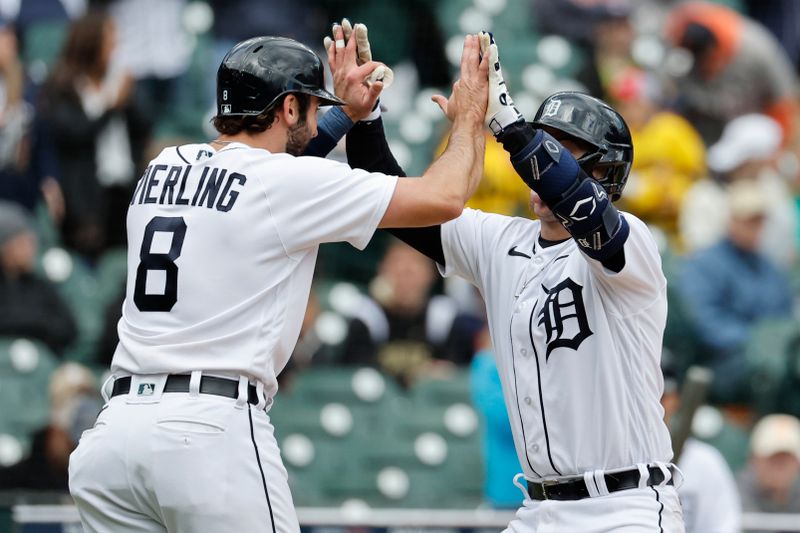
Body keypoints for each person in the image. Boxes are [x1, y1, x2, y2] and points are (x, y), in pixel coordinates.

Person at [67, 26, 489, 532]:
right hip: (206, 433)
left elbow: (264, 182)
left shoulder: (164, 165)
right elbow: (442, 200)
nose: (316, 120)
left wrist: (347, 114)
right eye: (310, 105)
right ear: (288, 108)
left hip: (113, 436)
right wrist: (468, 121)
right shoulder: (284, 184)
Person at [345, 34, 683, 530]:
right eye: (547, 147)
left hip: (624, 505)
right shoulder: (500, 240)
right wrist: (366, 117)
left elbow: (585, 212)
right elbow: (394, 205)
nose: (545, 165)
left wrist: (509, 125)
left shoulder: (632, 242)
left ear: (606, 172)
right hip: (538, 508)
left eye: (567, 153)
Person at [679, 180, 794, 403]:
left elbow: (784, 318)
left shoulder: (768, 267)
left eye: (759, 221)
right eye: (748, 221)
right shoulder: (705, 263)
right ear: (731, 220)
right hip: (719, 364)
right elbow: (704, 323)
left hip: (766, 362)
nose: (754, 228)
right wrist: (757, 341)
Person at [660, 353, 741, 533]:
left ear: (675, 399)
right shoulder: (613, 460)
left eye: (661, 396)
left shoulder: (705, 462)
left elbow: (724, 527)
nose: (653, 405)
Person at [0, 201, 76, 355]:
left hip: (42, 369)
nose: (30, 249)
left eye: (30, 242)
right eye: (21, 243)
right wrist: (37, 322)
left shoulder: (40, 286)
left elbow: (68, 329)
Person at [737, 414, 800, 521]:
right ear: (754, 459)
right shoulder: (734, 494)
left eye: (787, 459)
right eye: (773, 458)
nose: (780, 467)